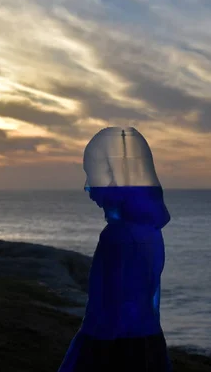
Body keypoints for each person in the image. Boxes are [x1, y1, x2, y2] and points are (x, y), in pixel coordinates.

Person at [58, 127, 173, 372]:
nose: (89, 189)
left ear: (118, 185)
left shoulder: (117, 236)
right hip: (148, 339)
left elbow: (106, 303)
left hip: (114, 346)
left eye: (96, 179)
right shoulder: (152, 231)